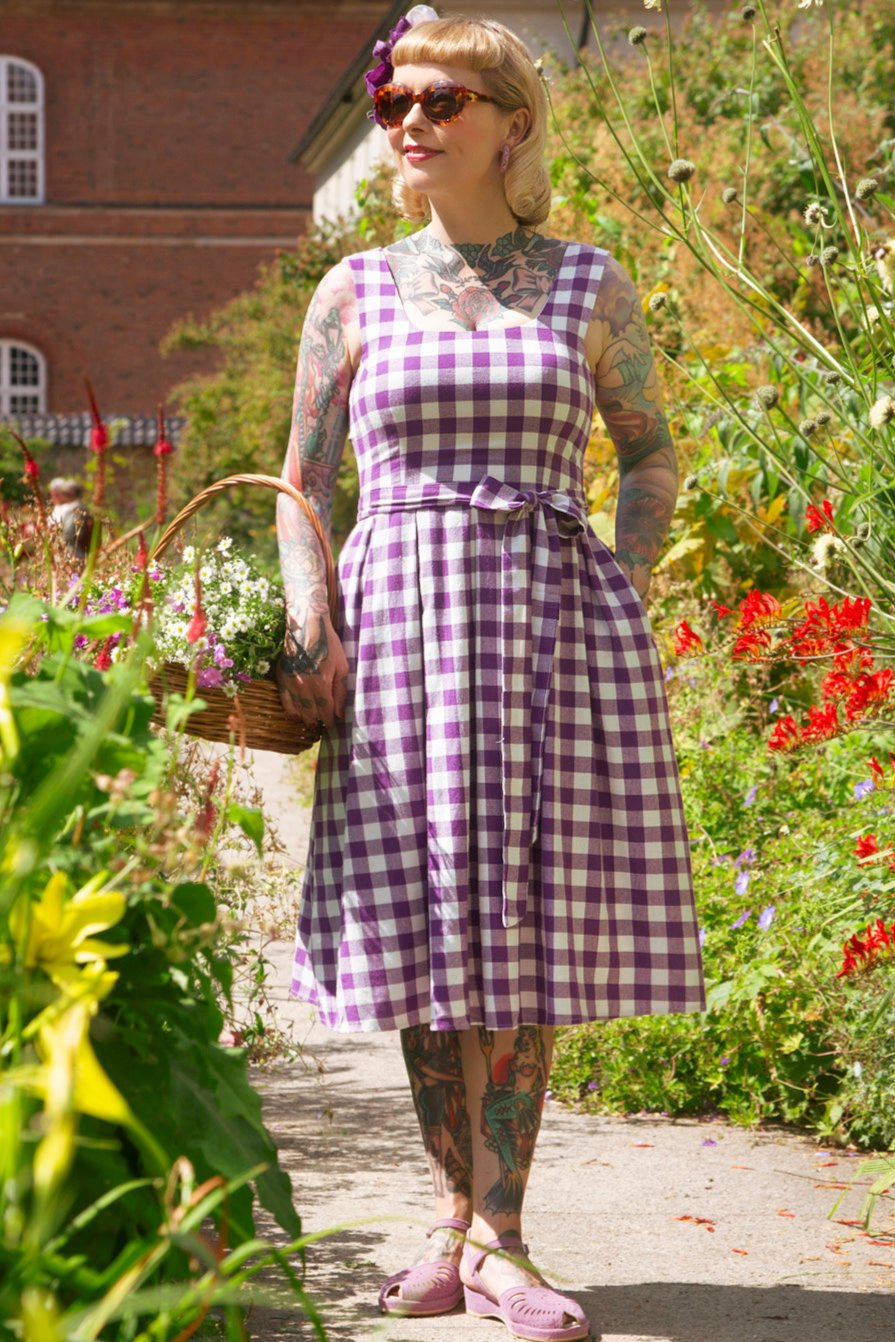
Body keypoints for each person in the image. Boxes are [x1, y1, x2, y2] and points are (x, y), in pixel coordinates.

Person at [275, 9, 704, 1339]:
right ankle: (452, 1224)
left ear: (510, 120)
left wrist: (619, 584)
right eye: (392, 97)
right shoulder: (348, 292)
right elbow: (302, 482)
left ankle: (501, 1239)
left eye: (440, 100)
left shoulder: (585, 285)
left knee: (512, 934)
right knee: (421, 936)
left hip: (542, 630)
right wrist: (309, 621)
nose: (408, 120)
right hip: (398, 631)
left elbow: (647, 453)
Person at [48, 476, 93, 558]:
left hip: (74, 553)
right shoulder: (72, 508)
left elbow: (69, 535)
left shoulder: (78, 509)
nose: (63, 496)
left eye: (66, 494)